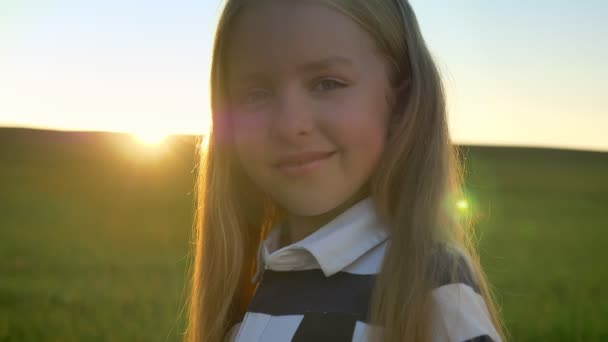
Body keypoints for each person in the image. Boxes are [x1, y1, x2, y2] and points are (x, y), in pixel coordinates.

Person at [186, 0, 505, 341]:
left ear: (400, 101)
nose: (291, 124)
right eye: (256, 93)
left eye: (327, 83)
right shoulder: (250, 285)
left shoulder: (431, 287)